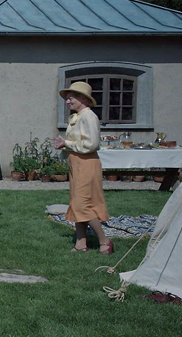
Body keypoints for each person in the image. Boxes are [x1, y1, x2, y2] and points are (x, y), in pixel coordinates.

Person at [52, 81, 112, 255]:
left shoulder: (89, 116)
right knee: (76, 202)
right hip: (77, 162)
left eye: (71, 98)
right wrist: (65, 145)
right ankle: (81, 243)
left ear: (82, 98)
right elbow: (79, 142)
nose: (68, 102)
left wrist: (67, 143)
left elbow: (91, 144)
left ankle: (104, 241)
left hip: (87, 162)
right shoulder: (78, 116)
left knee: (82, 203)